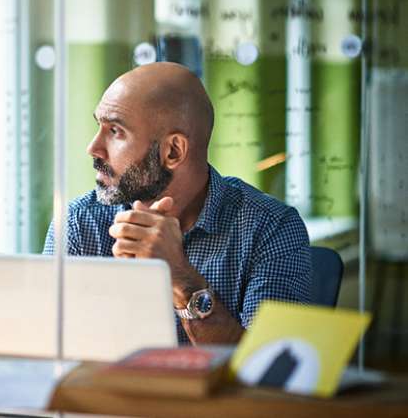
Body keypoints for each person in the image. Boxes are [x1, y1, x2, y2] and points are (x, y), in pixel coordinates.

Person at [43, 62, 311, 345]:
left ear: (173, 151)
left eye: (115, 131)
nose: (93, 148)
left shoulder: (272, 229)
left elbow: (268, 374)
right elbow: (44, 347)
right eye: (99, 126)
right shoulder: (78, 223)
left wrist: (181, 278)